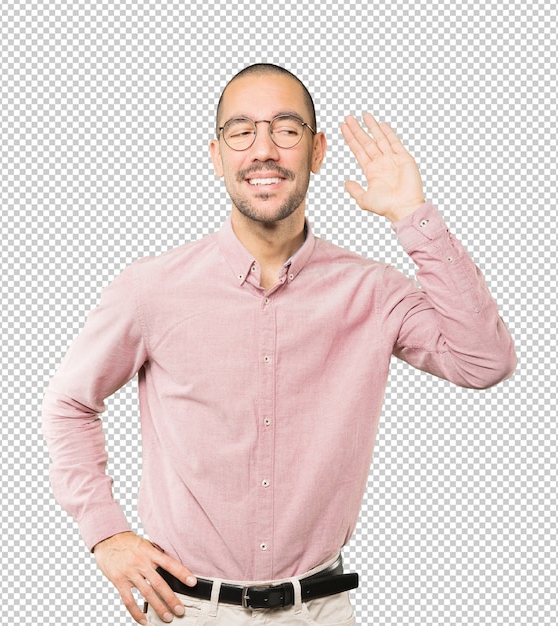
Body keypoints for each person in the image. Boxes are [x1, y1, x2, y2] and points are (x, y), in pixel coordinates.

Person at [42, 63, 516, 625]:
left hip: (320, 609)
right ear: (216, 154)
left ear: (316, 152)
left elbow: (484, 362)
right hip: (187, 611)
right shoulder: (150, 289)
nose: (263, 150)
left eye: (286, 130)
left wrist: (412, 216)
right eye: (242, 132)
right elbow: (70, 404)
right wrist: (106, 533)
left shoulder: (373, 291)